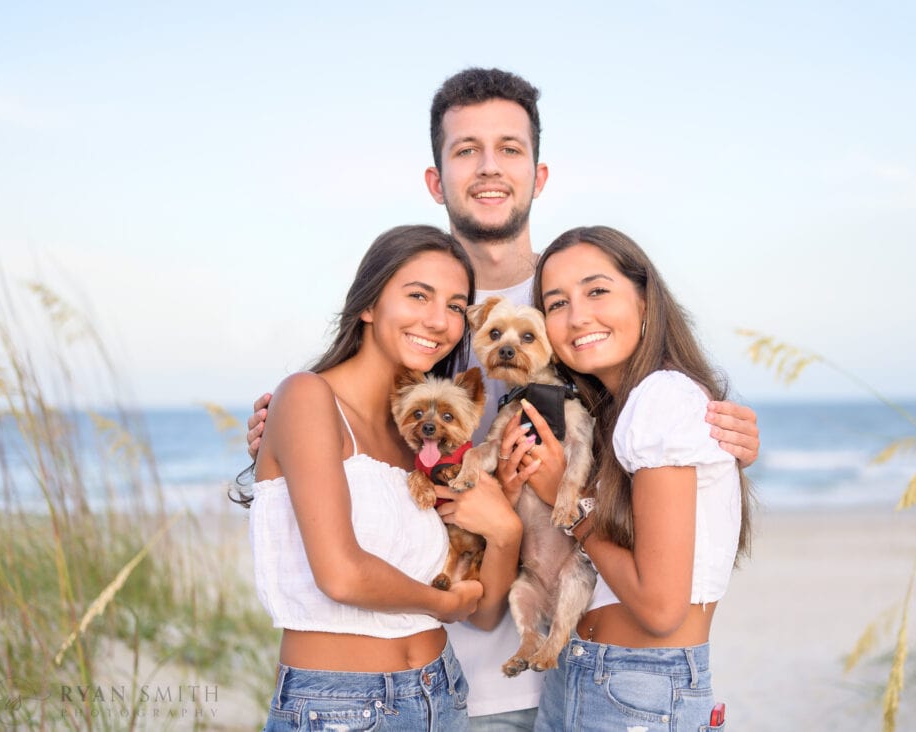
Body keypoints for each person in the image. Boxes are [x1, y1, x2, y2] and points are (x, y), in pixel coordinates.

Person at [246, 68, 762, 731]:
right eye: (466, 150)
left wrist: (724, 437)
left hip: (569, 670)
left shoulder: (580, 306)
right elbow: (349, 449)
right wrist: (283, 435)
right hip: (442, 677)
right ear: (437, 180)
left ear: (538, 175)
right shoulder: (419, 317)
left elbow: (656, 437)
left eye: (510, 148)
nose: (489, 168)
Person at [234, 225, 525, 731]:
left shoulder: (421, 440)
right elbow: (341, 574)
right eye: (418, 295)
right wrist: (442, 602)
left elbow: (482, 612)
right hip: (340, 706)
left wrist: (506, 532)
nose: (439, 321)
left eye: (456, 306)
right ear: (368, 305)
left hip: (445, 693)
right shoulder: (306, 398)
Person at [523, 225, 751, 731]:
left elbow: (660, 609)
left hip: (636, 691)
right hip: (585, 677)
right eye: (556, 303)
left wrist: (568, 500)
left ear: (645, 300)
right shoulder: (616, 410)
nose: (577, 316)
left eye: (597, 291)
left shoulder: (662, 397)